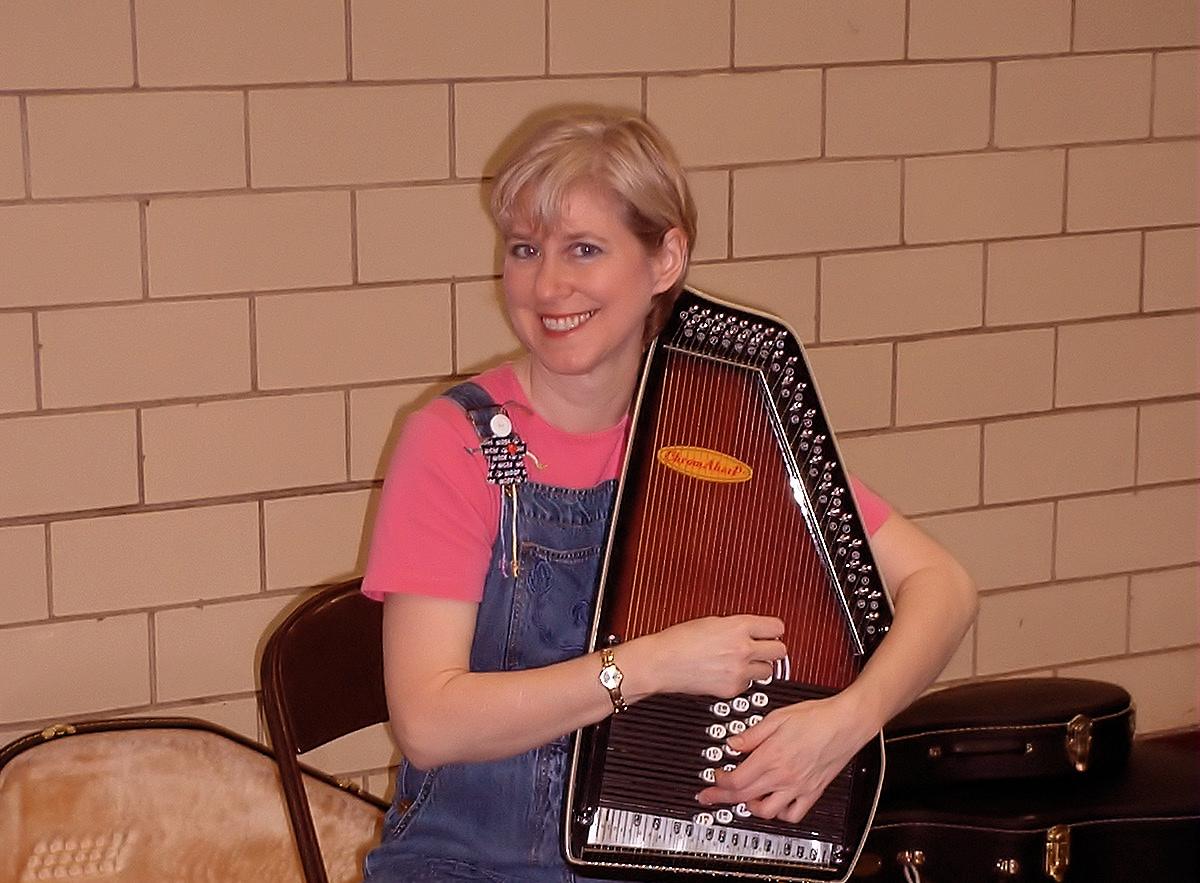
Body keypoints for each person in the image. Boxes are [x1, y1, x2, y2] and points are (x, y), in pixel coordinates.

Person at [360, 110, 977, 882]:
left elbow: (943, 586)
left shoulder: (721, 429)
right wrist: (644, 666)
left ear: (666, 258)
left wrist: (847, 721)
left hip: (672, 863)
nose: (547, 285)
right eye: (524, 250)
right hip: (473, 862)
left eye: (584, 249)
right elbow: (428, 720)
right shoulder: (456, 442)